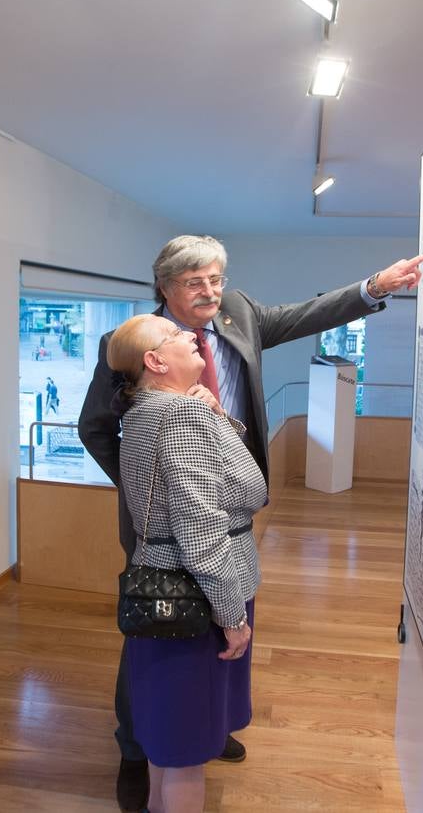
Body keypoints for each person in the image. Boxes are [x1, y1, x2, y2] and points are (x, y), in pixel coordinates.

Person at [78, 234, 423, 810]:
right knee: (161, 622)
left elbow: (305, 314)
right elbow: (95, 428)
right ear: (164, 288)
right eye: (197, 283)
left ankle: (207, 729)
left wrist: (374, 288)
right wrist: (153, 491)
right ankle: (137, 749)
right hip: (167, 529)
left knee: (224, 618)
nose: (212, 292)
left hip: (234, 512)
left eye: (217, 279)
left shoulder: (238, 312)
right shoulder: (133, 345)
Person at [105, 313, 260, 813]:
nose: (193, 336)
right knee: (189, 752)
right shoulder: (180, 416)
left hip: (158, 589)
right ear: (154, 361)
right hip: (196, 597)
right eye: (175, 336)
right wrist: (231, 614)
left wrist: (214, 415)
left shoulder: (146, 411)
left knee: (167, 744)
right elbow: (204, 526)